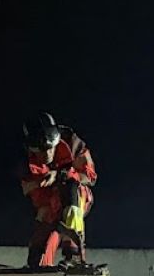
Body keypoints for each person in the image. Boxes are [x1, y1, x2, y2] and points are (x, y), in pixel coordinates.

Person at [20, 112, 98, 267]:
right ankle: (38, 264)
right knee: (43, 227)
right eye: (41, 151)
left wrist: (61, 175)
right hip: (49, 201)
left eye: (51, 148)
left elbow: (90, 177)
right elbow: (34, 194)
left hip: (77, 197)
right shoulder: (26, 164)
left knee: (72, 189)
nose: (47, 154)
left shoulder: (72, 144)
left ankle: (73, 254)